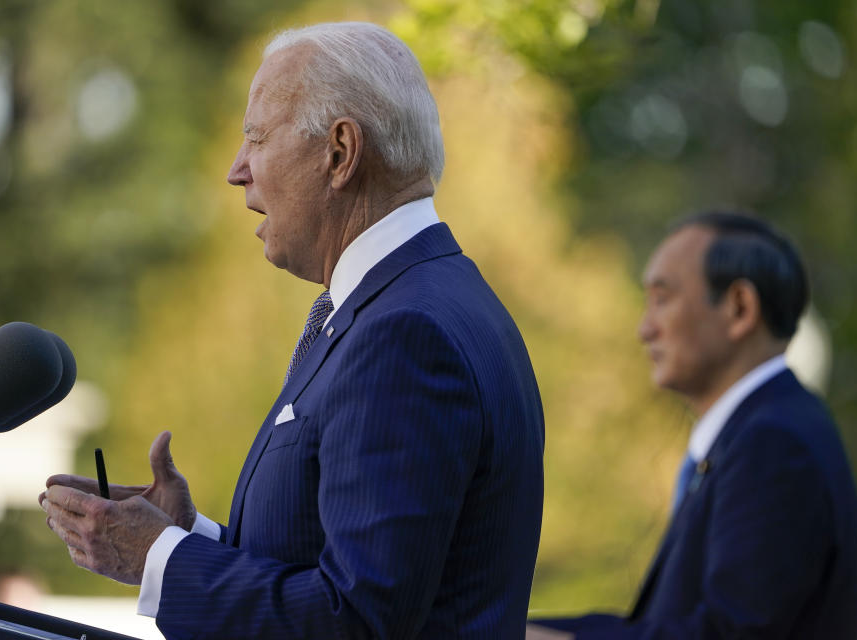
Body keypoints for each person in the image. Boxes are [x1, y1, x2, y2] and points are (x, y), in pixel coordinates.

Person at [40, 21, 545, 639]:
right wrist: (185, 538)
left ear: (340, 152)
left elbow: (357, 621)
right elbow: (339, 572)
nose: (236, 170)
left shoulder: (405, 333)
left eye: (256, 138)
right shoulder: (417, 302)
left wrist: (158, 560)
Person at [528, 211, 857, 638]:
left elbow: (727, 634)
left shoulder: (775, 445)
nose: (644, 329)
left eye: (663, 299)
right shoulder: (760, 433)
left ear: (740, 308)